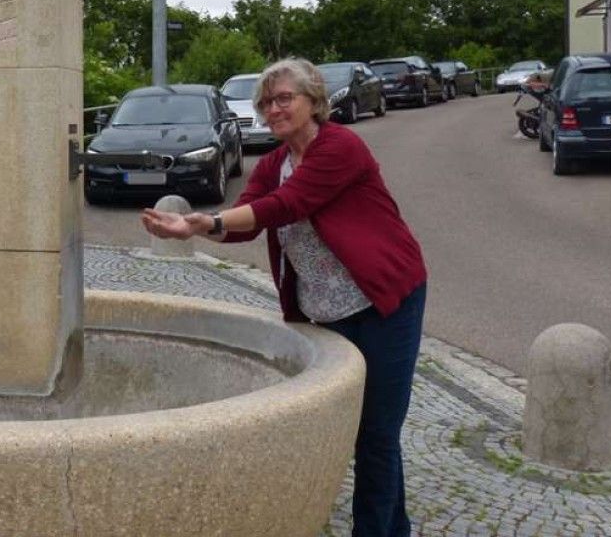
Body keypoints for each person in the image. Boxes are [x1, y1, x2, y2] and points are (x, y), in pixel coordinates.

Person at [142, 58, 427, 537]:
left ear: (313, 101)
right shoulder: (274, 163)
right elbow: (246, 220)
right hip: (325, 312)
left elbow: (285, 206)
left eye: (283, 98)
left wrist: (207, 222)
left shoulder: (341, 147)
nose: (273, 109)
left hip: (384, 304)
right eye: (265, 103)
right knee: (358, 429)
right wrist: (193, 228)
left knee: (376, 434)